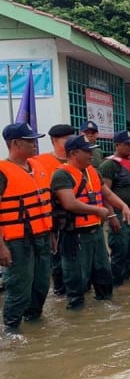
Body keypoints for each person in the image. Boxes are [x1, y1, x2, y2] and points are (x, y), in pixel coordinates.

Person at [52, 135, 130, 309]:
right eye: (87, 151)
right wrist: (97, 210)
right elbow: (69, 203)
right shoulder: (61, 175)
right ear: (73, 153)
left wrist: (123, 206)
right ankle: (76, 317)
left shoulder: (92, 171)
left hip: (95, 232)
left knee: (103, 273)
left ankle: (105, 311)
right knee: (77, 279)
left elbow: (107, 194)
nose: (91, 154)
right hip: (75, 236)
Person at [0, 123, 52, 332]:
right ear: (14, 143)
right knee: (19, 288)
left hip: (42, 236)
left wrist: (51, 233)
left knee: (41, 286)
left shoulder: (36, 167)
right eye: (30, 141)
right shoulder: (2, 172)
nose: (35, 144)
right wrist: (1, 247)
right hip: (16, 241)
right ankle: (11, 332)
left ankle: (35, 325)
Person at [99, 130, 130, 285]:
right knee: (120, 249)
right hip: (119, 214)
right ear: (117, 145)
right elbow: (105, 194)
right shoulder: (109, 165)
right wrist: (111, 216)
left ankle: (126, 278)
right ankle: (115, 282)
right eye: (127, 144)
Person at [34, 124, 76, 296]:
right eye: (66, 139)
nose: (70, 142)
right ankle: (60, 291)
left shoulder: (78, 159)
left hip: (77, 217)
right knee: (57, 258)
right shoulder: (40, 162)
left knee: (75, 257)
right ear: (54, 141)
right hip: (54, 218)